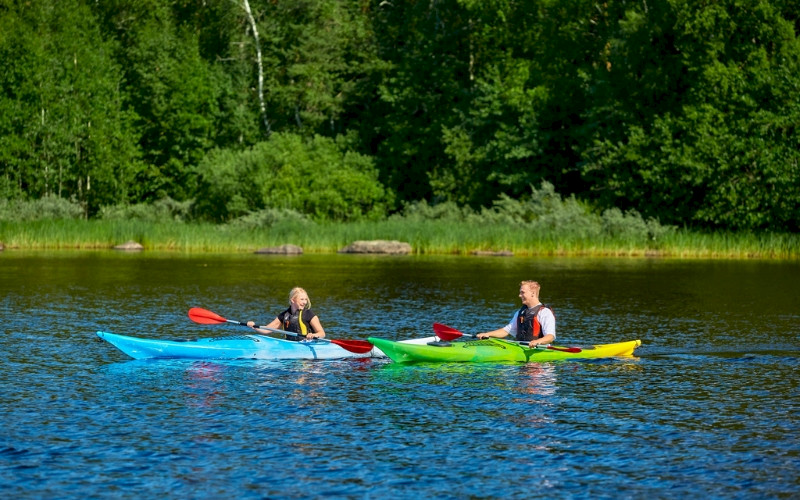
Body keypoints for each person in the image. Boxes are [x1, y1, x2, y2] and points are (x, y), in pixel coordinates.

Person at [476, 280, 556, 348]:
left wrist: (537, 341)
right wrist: (487, 334)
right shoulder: (520, 312)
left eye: (522, 292)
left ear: (533, 293)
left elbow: (550, 337)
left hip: (539, 351)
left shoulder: (545, 312)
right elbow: (506, 331)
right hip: (521, 348)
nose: (519, 295)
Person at [246, 287, 326, 341]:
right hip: (290, 345)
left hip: (306, 345)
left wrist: (313, 335)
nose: (305, 302)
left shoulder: (309, 314)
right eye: (301, 299)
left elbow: (322, 333)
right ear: (293, 300)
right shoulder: (284, 315)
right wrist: (254, 326)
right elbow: (267, 329)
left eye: (305, 299)